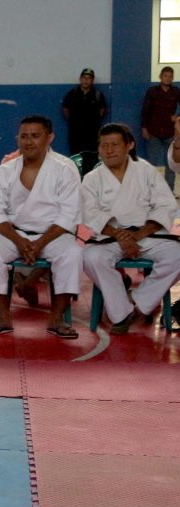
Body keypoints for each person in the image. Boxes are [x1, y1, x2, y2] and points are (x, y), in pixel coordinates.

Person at [0, 115, 82, 339]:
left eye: (35, 136)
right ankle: (3, 316)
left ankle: (57, 317)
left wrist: (40, 243)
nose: (28, 141)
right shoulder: (5, 171)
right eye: (24, 136)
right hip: (14, 233)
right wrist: (19, 240)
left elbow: (68, 215)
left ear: (49, 138)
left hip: (52, 234)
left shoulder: (64, 170)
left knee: (72, 254)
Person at [82, 123, 180, 334]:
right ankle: (122, 313)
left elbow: (165, 205)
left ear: (129, 145)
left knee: (178, 255)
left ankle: (138, 300)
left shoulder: (146, 170)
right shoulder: (92, 179)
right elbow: (90, 214)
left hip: (147, 234)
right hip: (110, 237)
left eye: (115, 145)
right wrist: (121, 236)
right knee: (90, 258)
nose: (109, 150)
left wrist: (138, 234)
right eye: (104, 146)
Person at [141, 66, 180, 196]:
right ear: (160, 77)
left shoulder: (176, 92)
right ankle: (150, 191)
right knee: (151, 164)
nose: (167, 78)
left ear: (172, 78)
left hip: (170, 133)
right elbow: (145, 110)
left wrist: (178, 116)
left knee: (171, 163)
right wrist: (144, 127)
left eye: (170, 76)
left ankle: (169, 191)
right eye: (165, 76)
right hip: (154, 132)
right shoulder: (152, 91)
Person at [61, 68, 107, 160]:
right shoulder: (73, 94)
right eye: (84, 78)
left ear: (92, 80)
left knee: (92, 156)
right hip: (75, 132)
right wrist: (72, 120)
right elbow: (65, 108)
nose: (86, 80)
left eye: (89, 78)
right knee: (75, 156)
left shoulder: (97, 95)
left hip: (92, 132)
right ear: (80, 79)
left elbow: (102, 110)